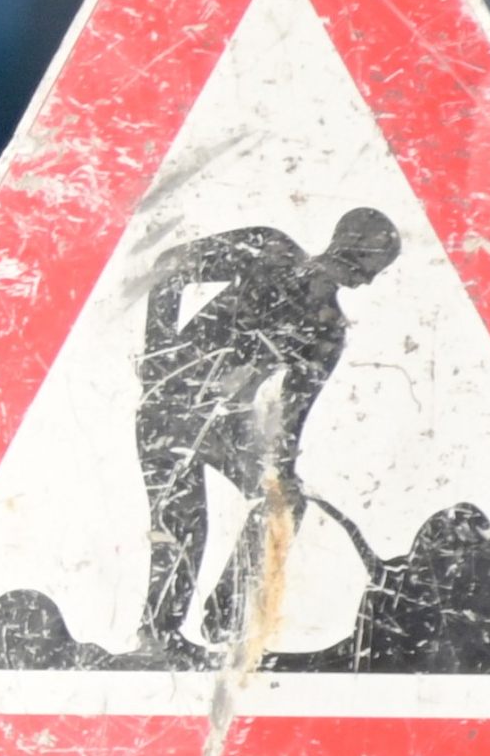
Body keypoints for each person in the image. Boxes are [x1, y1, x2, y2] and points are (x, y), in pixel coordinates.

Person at [132, 206, 399, 659]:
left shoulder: (328, 331)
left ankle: (226, 620)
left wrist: (282, 472)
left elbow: (289, 421)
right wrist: (160, 353)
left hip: (223, 424)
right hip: (170, 405)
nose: (367, 282)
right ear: (352, 247)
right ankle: (159, 635)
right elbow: (169, 267)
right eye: (369, 267)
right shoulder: (268, 249)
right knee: (185, 522)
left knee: (284, 500)